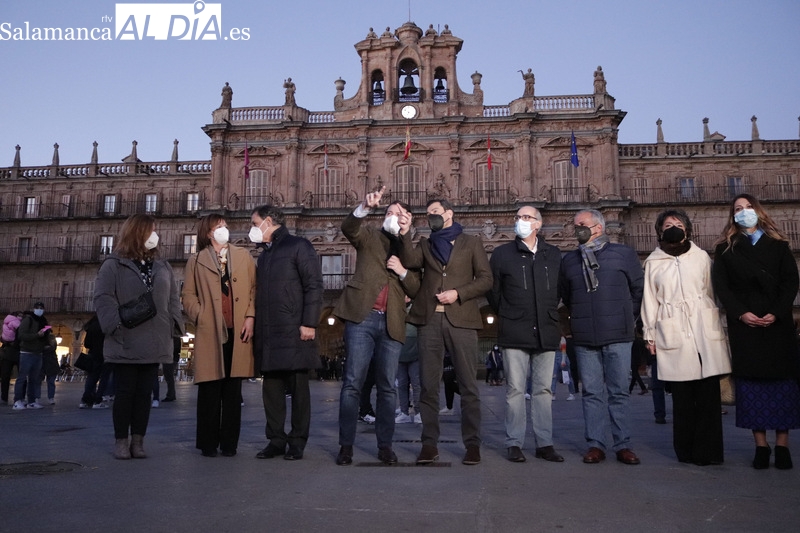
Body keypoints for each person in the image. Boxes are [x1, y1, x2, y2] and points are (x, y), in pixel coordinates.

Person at [399, 198, 493, 466]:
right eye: (428, 214)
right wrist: (406, 233)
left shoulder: (471, 242)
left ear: (449, 214)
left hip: (461, 320)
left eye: (436, 213)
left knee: (468, 386)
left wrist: (458, 293)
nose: (431, 217)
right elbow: (409, 260)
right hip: (429, 321)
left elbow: (486, 279)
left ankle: (472, 444)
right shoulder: (426, 244)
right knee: (428, 386)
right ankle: (429, 444)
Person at [712, 194, 800, 470]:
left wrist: (778, 310)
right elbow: (721, 286)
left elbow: (791, 281)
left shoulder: (779, 244)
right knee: (752, 388)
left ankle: (783, 446)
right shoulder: (725, 248)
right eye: (738, 209)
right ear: (732, 215)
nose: (744, 212)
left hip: (778, 324)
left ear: (758, 211)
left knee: (782, 386)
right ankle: (761, 446)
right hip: (745, 325)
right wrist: (741, 313)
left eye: (748, 207)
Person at [333, 188, 419, 465]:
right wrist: (364, 208)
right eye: (390, 213)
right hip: (363, 316)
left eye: (400, 215)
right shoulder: (369, 236)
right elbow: (349, 228)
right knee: (352, 384)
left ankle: (385, 446)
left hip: (392, 321)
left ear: (409, 221)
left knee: (387, 387)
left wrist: (403, 268)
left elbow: (416, 288)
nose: (394, 217)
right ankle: (346, 445)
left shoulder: (411, 250)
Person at [642, 209, 732, 465]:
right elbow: (650, 300)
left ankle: (710, 453)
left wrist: (717, 323)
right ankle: (686, 451)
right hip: (672, 326)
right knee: (682, 397)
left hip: (704, 325)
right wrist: (650, 336)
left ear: (687, 229)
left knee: (708, 396)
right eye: (668, 224)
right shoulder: (653, 262)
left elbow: (711, 291)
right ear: (660, 231)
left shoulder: (701, 257)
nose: (673, 227)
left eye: (678, 223)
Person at [94, 214, 184, 460]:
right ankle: (121, 441)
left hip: (155, 337)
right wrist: (115, 324)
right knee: (125, 393)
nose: (156, 235)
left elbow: (173, 298)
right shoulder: (114, 264)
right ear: (138, 233)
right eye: (152, 231)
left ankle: (138, 441)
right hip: (127, 337)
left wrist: (174, 325)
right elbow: (103, 298)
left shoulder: (162, 265)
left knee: (145, 394)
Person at [558, 209, 644, 465]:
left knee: (619, 392)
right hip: (585, 336)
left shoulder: (624, 254)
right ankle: (595, 444)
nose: (576, 230)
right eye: (575, 226)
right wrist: (575, 323)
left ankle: (623, 444)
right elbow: (566, 295)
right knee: (592, 393)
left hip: (618, 334)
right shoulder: (570, 260)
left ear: (598, 227)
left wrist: (627, 317)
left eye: (581, 225)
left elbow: (638, 289)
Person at [488, 205, 564, 463]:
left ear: (538, 224)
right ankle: (514, 443)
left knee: (543, 390)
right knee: (515, 390)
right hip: (514, 329)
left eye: (527, 217)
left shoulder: (553, 255)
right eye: (518, 217)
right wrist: (510, 312)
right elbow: (494, 292)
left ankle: (545, 443)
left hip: (546, 329)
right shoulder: (501, 254)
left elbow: (560, 290)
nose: (521, 221)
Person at [251, 205, 323, 461]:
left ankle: (297, 441)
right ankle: (276, 440)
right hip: (269, 331)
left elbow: (313, 285)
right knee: (271, 388)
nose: (253, 228)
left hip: (293, 329)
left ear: (268, 222)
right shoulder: (265, 254)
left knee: (299, 389)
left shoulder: (299, 246)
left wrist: (309, 323)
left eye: (255, 222)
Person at [183, 214, 256, 457]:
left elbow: (254, 289)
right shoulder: (196, 261)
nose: (225, 230)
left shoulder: (243, 256)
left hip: (238, 330)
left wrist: (250, 316)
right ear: (208, 233)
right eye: (219, 227)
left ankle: (229, 444)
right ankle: (207, 443)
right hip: (209, 330)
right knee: (209, 389)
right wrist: (200, 315)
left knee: (233, 391)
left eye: (226, 226)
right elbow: (188, 295)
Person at [12, 302, 51, 410]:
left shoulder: (43, 321)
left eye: (41, 308)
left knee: (34, 379)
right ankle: (17, 401)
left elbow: (45, 336)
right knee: (22, 377)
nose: (40, 310)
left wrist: (46, 342)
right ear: (34, 309)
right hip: (26, 353)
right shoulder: (28, 320)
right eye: (38, 308)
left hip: (38, 353)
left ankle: (32, 401)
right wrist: (36, 335)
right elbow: (22, 335)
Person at [79, 314, 110, 409]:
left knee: (91, 378)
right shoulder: (107, 326)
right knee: (104, 378)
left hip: (93, 355)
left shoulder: (91, 327)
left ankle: (85, 400)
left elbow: (87, 344)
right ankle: (97, 401)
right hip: (105, 355)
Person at [396, 320, 422, 425]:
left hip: (414, 346)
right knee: (402, 383)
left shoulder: (416, 305)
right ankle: (404, 412)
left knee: (416, 383)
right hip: (400, 344)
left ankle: (418, 412)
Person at [1, 311, 22, 405]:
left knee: (6, 376)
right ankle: (18, 398)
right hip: (15, 352)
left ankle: (4, 397)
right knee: (20, 376)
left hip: (9, 352)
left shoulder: (6, 323)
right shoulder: (17, 325)